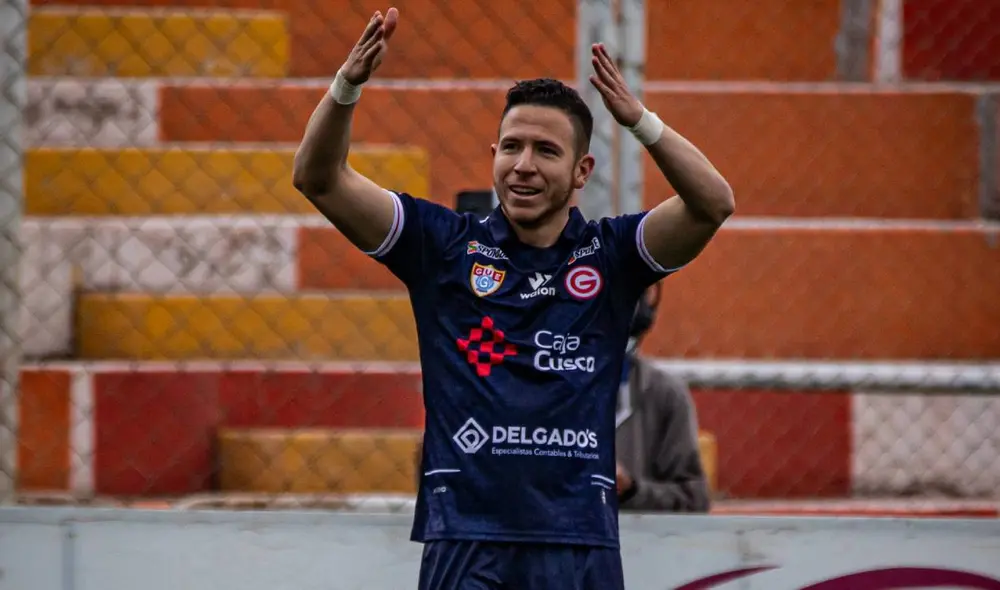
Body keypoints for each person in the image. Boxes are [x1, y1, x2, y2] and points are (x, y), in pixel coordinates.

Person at [292, 7, 734, 589]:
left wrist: (640, 122)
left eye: (546, 152)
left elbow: (713, 203)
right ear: (493, 154)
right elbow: (318, 178)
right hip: (466, 539)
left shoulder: (611, 256)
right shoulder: (445, 246)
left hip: (577, 539)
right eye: (511, 147)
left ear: (582, 172)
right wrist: (346, 86)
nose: (523, 166)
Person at [615, 283, 712, 513]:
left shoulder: (664, 393)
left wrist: (631, 490)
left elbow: (694, 499)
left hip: (641, 543)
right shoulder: (546, 387)